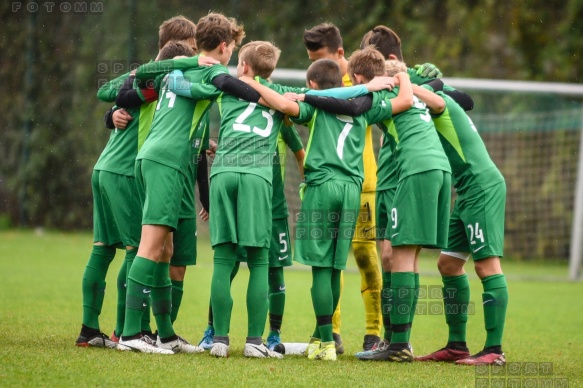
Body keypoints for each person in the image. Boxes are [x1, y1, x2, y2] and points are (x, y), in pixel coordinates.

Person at [240, 50, 413, 361]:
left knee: (321, 268)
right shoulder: (366, 106)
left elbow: (281, 104)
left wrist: (250, 83)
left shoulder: (314, 107)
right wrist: (400, 77)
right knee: (335, 266)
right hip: (352, 191)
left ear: (312, 83)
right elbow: (403, 102)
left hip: (322, 187)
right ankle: (327, 341)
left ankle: (326, 343)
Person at [117, 12, 247, 354]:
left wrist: (179, 67)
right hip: (167, 162)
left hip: (154, 157)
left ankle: (166, 334)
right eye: (232, 46)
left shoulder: (178, 68)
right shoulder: (208, 70)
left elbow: (143, 72)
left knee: (166, 249)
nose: (232, 53)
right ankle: (130, 334)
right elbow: (227, 85)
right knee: (150, 246)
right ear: (224, 46)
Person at [75, 16, 198, 348]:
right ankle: (128, 330)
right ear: (182, 47)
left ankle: (89, 330)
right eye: (193, 47)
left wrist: (110, 113)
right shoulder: (159, 81)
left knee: (103, 250)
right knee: (139, 250)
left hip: (105, 167)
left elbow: (111, 94)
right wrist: (111, 112)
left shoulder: (143, 78)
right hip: (127, 171)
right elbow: (109, 93)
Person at [410, 80, 508, 366]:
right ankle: (456, 345)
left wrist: (407, 85)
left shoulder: (438, 102)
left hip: (481, 187)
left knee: (486, 265)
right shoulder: (431, 99)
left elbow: (440, 102)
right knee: (448, 264)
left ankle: (494, 350)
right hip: (465, 190)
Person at [302, 22, 383, 352]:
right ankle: (330, 332)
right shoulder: (323, 84)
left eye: (322, 58)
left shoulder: (364, 86)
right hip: (329, 182)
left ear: (340, 54)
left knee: (364, 254)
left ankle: (374, 330)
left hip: (362, 184)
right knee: (328, 260)